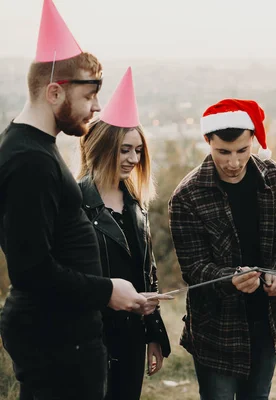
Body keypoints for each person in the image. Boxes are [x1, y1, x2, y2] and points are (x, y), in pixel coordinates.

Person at [0, 2, 146, 399]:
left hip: (66, 337)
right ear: (54, 91)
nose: (97, 107)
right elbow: (31, 270)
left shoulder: (35, 148)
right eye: (88, 95)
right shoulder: (30, 161)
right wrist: (107, 291)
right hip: (56, 344)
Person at [169, 99, 276, 399]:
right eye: (223, 152)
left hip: (266, 325)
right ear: (207, 141)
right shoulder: (186, 196)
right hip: (217, 333)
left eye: (242, 150)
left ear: (253, 140)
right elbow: (194, 269)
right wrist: (230, 279)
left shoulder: (275, 178)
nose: (234, 162)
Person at [78, 67, 172, 400]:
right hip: (88, 340)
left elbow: (147, 275)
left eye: (138, 150)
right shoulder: (74, 203)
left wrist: (154, 335)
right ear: (103, 147)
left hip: (131, 338)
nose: (133, 159)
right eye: (124, 149)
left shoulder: (137, 207)